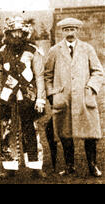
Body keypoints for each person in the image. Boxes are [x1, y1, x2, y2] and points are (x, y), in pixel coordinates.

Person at [44, 17, 103, 177]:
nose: (70, 33)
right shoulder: (54, 50)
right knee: (64, 133)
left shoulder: (87, 49)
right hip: (63, 99)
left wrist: (91, 87)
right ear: (62, 31)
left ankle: (93, 165)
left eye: (73, 29)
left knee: (90, 133)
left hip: (84, 98)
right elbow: (47, 75)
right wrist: (52, 95)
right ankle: (70, 166)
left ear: (77, 31)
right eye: (66, 30)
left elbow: (98, 71)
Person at [0, 16, 46, 179]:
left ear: (24, 33)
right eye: (13, 33)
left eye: (19, 33)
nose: (16, 36)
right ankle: (10, 167)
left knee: (31, 130)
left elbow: (39, 76)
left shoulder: (33, 51)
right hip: (7, 98)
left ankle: (36, 166)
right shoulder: (1, 52)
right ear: (8, 33)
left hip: (28, 97)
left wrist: (40, 98)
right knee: (8, 130)